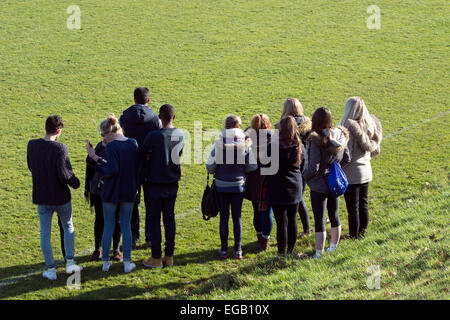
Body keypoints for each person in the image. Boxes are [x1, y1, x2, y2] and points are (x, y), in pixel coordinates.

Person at [27, 115, 82, 280]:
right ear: (58, 131)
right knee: (68, 227)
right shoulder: (60, 148)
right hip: (60, 197)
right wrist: (76, 183)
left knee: (45, 232)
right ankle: (70, 262)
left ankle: (50, 269)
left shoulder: (32, 145)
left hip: (41, 196)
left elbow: (31, 166)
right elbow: (65, 174)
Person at [86, 114, 140, 273]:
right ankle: (127, 262)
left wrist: (96, 164)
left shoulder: (111, 147)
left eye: (103, 135)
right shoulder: (133, 143)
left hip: (111, 191)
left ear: (110, 132)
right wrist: (95, 157)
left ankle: (105, 262)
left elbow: (111, 169)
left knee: (109, 225)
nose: (103, 138)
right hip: (129, 190)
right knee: (125, 225)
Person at [206, 115, 257, 259]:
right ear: (239, 126)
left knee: (224, 217)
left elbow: (209, 167)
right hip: (238, 185)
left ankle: (223, 249)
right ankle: (238, 249)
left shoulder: (218, 144)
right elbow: (252, 165)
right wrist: (242, 169)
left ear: (226, 127)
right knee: (237, 217)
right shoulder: (245, 144)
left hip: (222, 185)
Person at [141, 104, 185, 268]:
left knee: (153, 220)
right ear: (173, 117)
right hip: (172, 181)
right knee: (169, 219)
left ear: (160, 117)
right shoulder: (180, 134)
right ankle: (169, 255)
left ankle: (156, 257)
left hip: (154, 182)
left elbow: (142, 153)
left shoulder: (153, 136)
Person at [304, 107, 350, 259]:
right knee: (334, 214)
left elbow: (314, 166)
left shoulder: (316, 140)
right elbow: (347, 158)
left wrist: (304, 177)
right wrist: (335, 168)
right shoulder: (340, 136)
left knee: (320, 218)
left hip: (319, 184)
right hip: (334, 182)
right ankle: (334, 246)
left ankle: (319, 251)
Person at [119, 87, 162, 249]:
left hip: (130, 166)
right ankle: (150, 238)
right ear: (148, 100)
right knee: (151, 203)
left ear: (134, 99)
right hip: (150, 166)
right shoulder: (155, 120)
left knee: (131, 203)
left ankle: (132, 238)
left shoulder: (124, 118)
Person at [339, 97, 382, 238]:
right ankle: (362, 234)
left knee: (353, 208)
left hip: (352, 173)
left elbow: (346, 154)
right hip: (366, 170)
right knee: (363, 204)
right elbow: (374, 150)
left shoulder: (347, 127)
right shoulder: (369, 125)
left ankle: (354, 236)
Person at [267, 116, 305, 255]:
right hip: (294, 187)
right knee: (292, 220)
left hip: (277, 187)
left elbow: (265, 166)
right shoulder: (299, 146)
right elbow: (303, 167)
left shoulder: (272, 146)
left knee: (281, 223)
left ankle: (281, 252)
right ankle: (290, 250)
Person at [277, 98, 312, 237]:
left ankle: (294, 232)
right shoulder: (309, 125)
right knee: (300, 197)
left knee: (297, 200)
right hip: (306, 163)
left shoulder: (284, 125)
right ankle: (307, 229)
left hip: (289, 166)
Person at [85, 139, 122, 261]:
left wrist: (94, 156)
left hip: (114, 188)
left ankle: (116, 249)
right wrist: (91, 156)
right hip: (99, 189)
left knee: (117, 219)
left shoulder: (119, 147)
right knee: (99, 218)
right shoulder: (100, 145)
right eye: (102, 134)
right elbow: (91, 164)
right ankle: (97, 249)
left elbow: (111, 166)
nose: (103, 137)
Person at [244, 114, 273, 251]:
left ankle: (260, 238)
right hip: (267, 180)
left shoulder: (248, 139)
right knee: (267, 212)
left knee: (256, 210)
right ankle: (265, 241)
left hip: (252, 181)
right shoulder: (272, 139)